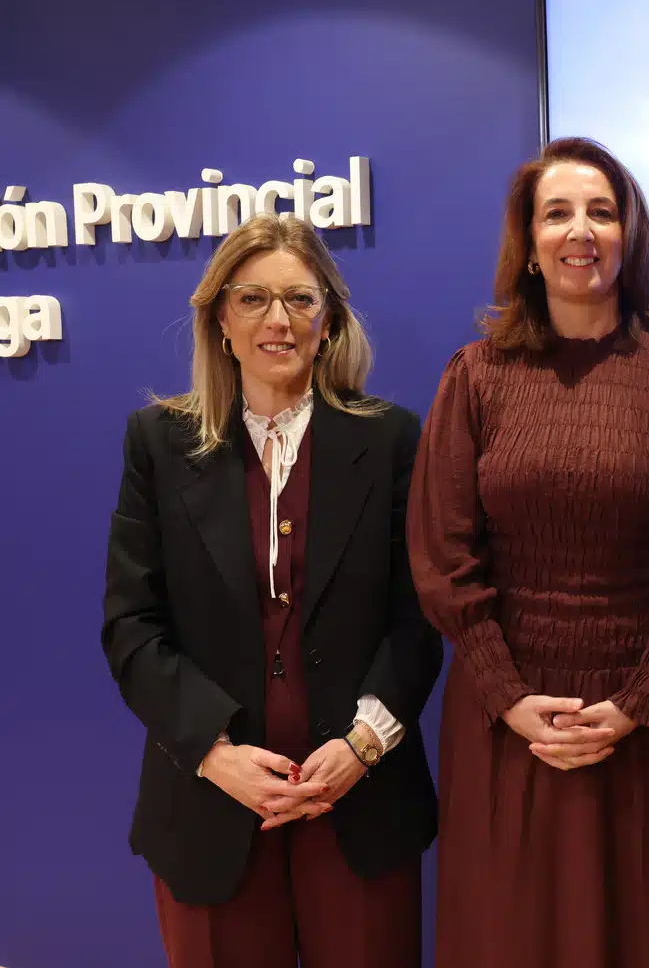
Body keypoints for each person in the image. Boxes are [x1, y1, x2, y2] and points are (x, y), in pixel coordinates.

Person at [409, 137, 649, 968]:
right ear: (528, 244)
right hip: (509, 723)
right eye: (557, 213)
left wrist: (639, 697)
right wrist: (508, 695)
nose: (581, 231)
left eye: (602, 212)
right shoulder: (475, 376)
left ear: (629, 237)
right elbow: (441, 554)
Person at [102, 214, 442, 968]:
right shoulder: (157, 442)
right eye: (252, 298)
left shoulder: (392, 440)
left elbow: (420, 619)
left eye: (299, 299)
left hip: (358, 802)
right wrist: (213, 752)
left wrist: (363, 745)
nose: (277, 320)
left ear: (329, 321)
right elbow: (132, 625)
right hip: (208, 807)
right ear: (221, 320)